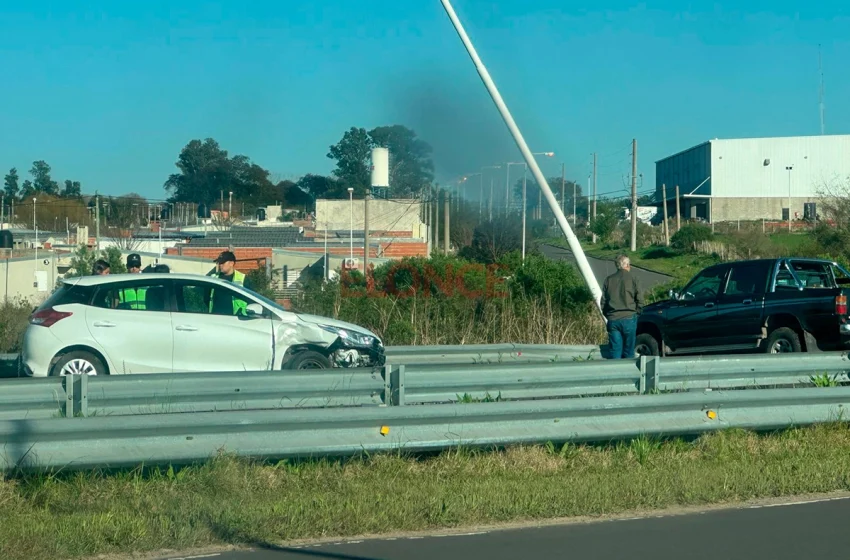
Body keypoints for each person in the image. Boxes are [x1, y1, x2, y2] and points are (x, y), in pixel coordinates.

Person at [601, 254, 644, 359]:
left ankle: (616, 369)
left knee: (615, 351)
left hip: (613, 319)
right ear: (627, 265)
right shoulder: (634, 278)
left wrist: (609, 315)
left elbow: (603, 303)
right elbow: (640, 300)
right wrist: (637, 313)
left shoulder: (608, 280)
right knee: (629, 352)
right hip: (629, 317)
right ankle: (627, 369)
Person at [206, 251, 248, 316]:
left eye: (223, 263)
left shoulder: (243, 279)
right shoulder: (213, 278)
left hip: (237, 317)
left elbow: (251, 299)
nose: (220, 265)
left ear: (231, 263)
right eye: (219, 263)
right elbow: (206, 298)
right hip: (215, 317)